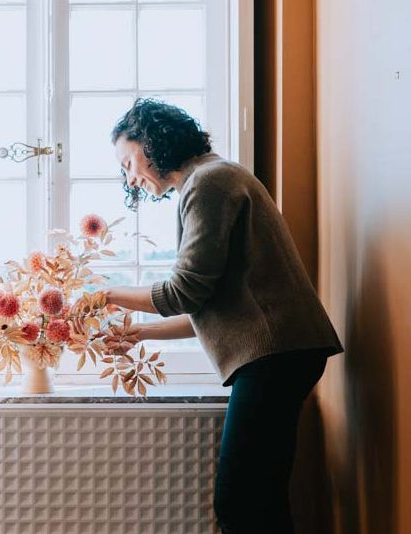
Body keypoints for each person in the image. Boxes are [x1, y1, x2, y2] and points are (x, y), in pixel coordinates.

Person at [104, 99, 343, 534]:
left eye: (127, 161)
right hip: (282, 352)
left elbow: (185, 291)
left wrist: (106, 296)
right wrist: (140, 333)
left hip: (274, 356)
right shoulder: (214, 177)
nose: (129, 177)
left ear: (151, 141)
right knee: (261, 498)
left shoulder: (208, 183)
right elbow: (208, 305)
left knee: (240, 503)